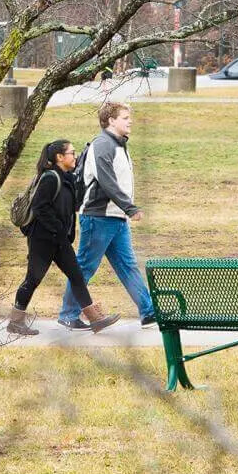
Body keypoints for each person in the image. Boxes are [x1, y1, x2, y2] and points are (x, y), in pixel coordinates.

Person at [58, 102, 157, 330]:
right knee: (85, 266)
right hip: (98, 217)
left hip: (115, 217)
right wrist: (130, 207)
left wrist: (124, 210)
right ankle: (68, 314)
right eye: (124, 117)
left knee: (127, 266)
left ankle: (148, 312)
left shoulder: (118, 145)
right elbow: (106, 181)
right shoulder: (103, 144)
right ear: (111, 121)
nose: (129, 121)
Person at [8, 139, 121, 336]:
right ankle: (15, 322)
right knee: (33, 279)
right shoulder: (50, 178)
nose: (75, 156)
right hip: (42, 240)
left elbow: (70, 207)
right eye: (72, 153)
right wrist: (58, 230)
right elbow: (39, 207)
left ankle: (95, 320)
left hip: (59, 240)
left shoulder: (66, 178)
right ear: (60, 157)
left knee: (76, 276)